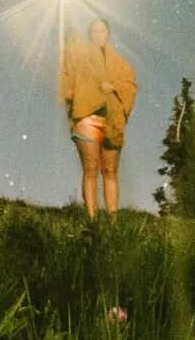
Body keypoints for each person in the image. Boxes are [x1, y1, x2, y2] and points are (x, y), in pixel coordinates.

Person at [58, 16, 138, 217]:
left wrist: (114, 87)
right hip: (88, 117)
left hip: (112, 120)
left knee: (110, 171)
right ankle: (92, 220)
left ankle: (113, 220)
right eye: (94, 31)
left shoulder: (120, 62)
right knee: (91, 168)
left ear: (108, 33)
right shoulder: (81, 55)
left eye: (102, 30)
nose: (98, 34)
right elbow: (69, 72)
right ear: (89, 34)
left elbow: (130, 86)